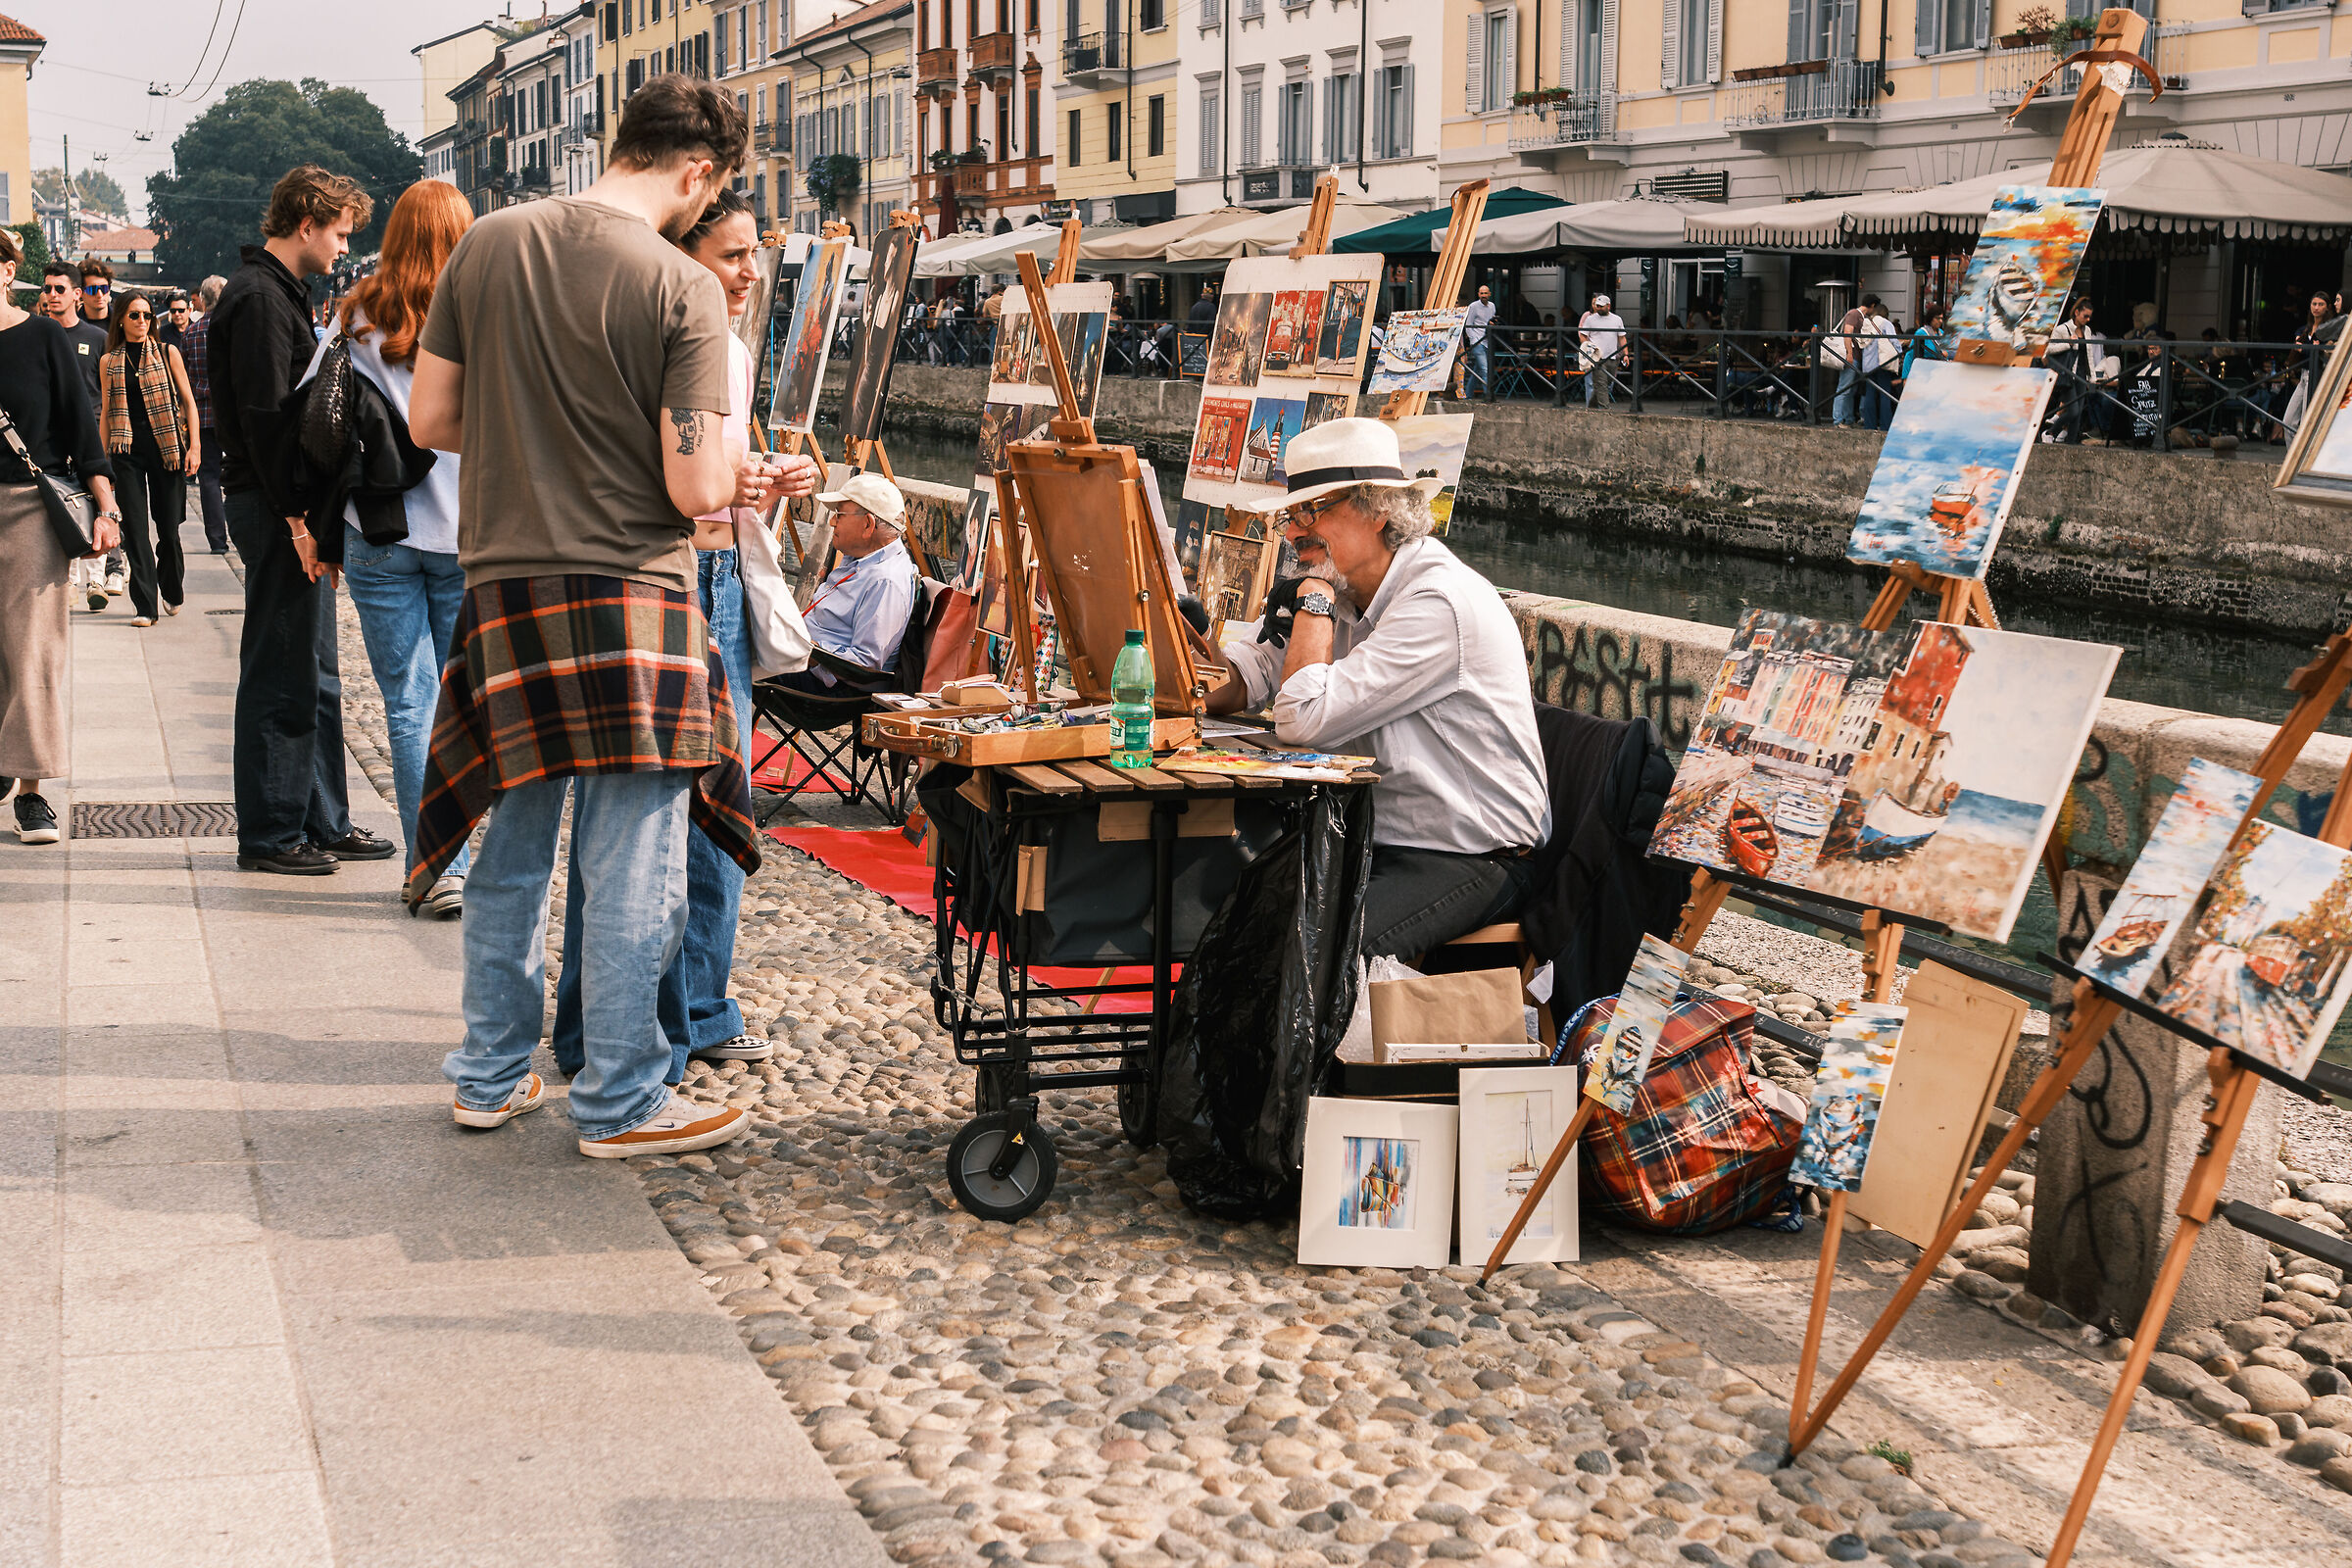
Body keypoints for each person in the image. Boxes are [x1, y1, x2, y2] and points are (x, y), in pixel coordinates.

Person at [405, 74, 814, 1159]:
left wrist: (533, 437)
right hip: (632, 587)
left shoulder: (485, 242)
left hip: (501, 578)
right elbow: (693, 488)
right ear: (700, 175)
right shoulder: (680, 288)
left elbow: (432, 416)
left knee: (513, 846)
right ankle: (624, 1098)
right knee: (632, 850)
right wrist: (730, 461)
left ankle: (490, 1074)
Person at [553, 184, 787, 1081]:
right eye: (734, 254)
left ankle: (592, 1029)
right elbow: (699, 488)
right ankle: (688, 1014)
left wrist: (746, 474)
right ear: (683, 254)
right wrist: (751, 481)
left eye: (754, 252)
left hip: (622, 571)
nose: (751, 271)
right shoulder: (704, 339)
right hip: (695, 573)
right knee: (702, 810)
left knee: (614, 819)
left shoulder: (616, 325)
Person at [1204, 419, 1547, 957]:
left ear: (1378, 509)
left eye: (1311, 511)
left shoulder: (1436, 600)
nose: (1295, 532)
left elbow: (1302, 718)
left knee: (1314, 960)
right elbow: (1249, 673)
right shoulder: (1343, 587)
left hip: (1471, 855)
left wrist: (1312, 599)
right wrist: (1173, 665)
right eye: (1290, 516)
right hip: (1376, 839)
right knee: (1233, 920)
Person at [213, 165, 392, 876]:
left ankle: (320, 818)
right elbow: (262, 421)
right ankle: (271, 832)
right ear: (308, 222)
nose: (345, 247)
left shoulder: (276, 291)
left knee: (313, 672)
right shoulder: (260, 298)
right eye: (341, 232)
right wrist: (295, 518)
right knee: (281, 670)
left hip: (286, 501)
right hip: (273, 502)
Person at [303, 180, 473, 918]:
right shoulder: (486, 311)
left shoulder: (354, 318)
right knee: (465, 703)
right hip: (470, 536)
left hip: (380, 533)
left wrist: (315, 522)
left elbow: (315, 418)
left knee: (408, 702)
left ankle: (435, 867)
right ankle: (463, 860)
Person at [0, 227, 121, 846]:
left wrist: (107, 510)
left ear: (7, 270)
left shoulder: (42, 336)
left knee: (32, 649)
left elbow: (80, 429)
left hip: (28, 510)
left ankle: (31, 790)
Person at [95, 289, 199, 627]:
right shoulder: (110, 361)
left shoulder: (168, 353)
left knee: (168, 529)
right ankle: (144, 607)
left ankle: (172, 588)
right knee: (136, 531)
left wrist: (194, 446)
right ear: (121, 319)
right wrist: (100, 464)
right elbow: (107, 414)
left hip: (166, 448)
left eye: (147, 315)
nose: (142, 321)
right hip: (126, 452)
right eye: (135, 315)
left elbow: (188, 402)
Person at [765, 470, 916, 694]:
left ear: (867, 525)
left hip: (828, 684)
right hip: (803, 660)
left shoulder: (885, 580)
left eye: (840, 514)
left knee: (733, 651)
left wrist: (810, 652)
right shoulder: (860, 559)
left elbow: (864, 663)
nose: (832, 521)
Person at [37, 262, 119, 608]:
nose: (51, 295)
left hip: (92, 434)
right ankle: (68, 581)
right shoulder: (37, 334)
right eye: (47, 289)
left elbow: (110, 392)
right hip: (52, 438)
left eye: (59, 289)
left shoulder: (96, 338)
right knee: (62, 504)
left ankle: (96, 581)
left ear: (76, 294)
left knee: (95, 502)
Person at [184, 276, 229, 553]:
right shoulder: (234, 328)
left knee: (209, 477)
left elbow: (186, 377)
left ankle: (217, 539)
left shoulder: (191, 332)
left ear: (201, 299)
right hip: (231, 412)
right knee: (239, 472)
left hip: (202, 412)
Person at [2046, 299, 2097, 444]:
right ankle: (2050, 431)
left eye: (2089, 317)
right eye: (2085, 316)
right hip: (2067, 375)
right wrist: (2068, 343)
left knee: (2079, 411)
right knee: (2073, 410)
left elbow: (2089, 354)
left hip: (2082, 374)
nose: (2087, 320)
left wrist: (2092, 377)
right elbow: (2049, 349)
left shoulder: (2087, 330)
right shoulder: (2062, 329)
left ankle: (2071, 442)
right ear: (2076, 313)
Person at [1577, 293, 1625, 409]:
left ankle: (1591, 406)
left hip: (1613, 356)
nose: (1598, 308)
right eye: (1597, 305)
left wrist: (1625, 354)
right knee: (1601, 383)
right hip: (1597, 357)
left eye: (1601, 306)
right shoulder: (1589, 318)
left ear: (1608, 306)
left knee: (1606, 383)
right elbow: (1582, 335)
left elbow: (1622, 337)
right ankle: (1605, 409)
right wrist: (1587, 347)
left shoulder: (1617, 319)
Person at [1857, 306, 1900, 431]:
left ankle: (1869, 425)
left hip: (1868, 365)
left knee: (1870, 394)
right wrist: (1899, 352)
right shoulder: (1886, 323)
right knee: (1884, 394)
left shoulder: (1866, 324)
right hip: (1883, 363)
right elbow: (1894, 342)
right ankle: (1885, 425)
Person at [1461, 283, 1496, 399]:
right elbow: (1468, 324)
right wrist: (1473, 340)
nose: (1483, 295)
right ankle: (1489, 395)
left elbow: (1491, 320)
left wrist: (1492, 324)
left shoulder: (1492, 306)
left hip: (1487, 341)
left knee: (1478, 369)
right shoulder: (1473, 306)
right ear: (1478, 294)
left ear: (1489, 294)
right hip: (1477, 342)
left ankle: (1469, 394)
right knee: (1485, 368)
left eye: (1485, 293)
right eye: (1481, 293)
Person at [1902, 305, 1947, 379]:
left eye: (1942, 318)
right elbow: (1910, 354)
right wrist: (1905, 377)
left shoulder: (1941, 333)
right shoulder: (1921, 333)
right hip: (1924, 373)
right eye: (1937, 318)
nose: (1941, 321)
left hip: (1938, 373)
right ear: (1930, 318)